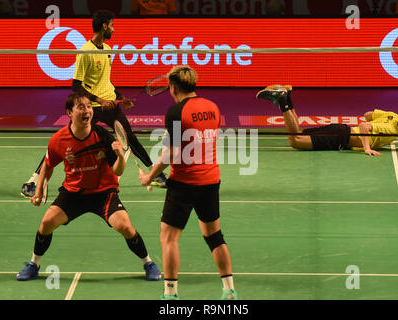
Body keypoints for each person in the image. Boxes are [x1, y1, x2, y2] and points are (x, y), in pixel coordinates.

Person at [21, 10, 167, 199]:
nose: (114, 30)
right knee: (65, 142)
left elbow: (105, 81)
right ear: (104, 26)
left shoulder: (107, 50)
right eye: (112, 25)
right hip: (92, 109)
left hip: (111, 105)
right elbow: (76, 85)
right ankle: (33, 180)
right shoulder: (85, 51)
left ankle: (156, 174)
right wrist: (99, 101)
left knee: (130, 138)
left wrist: (121, 97)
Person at [16, 92, 161, 282]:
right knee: (46, 224)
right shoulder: (58, 140)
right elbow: (48, 163)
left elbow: (117, 172)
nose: (87, 111)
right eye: (81, 107)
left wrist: (119, 156)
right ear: (70, 112)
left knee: (125, 226)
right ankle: (34, 264)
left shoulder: (102, 135)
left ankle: (148, 263)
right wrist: (40, 189)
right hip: (74, 193)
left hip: (103, 193)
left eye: (89, 107)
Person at [139, 66, 237, 300]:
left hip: (184, 182)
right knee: (214, 237)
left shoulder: (175, 111)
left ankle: (170, 294)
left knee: (169, 238)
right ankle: (229, 290)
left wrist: (150, 176)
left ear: (173, 87)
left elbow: (172, 154)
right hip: (211, 180)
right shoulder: (213, 107)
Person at [256, 84, 398, 156]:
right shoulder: (392, 131)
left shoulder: (393, 116)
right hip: (341, 138)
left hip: (342, 130)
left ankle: (288, 95)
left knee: (297, 134)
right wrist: (367, 147)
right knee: (295, 140)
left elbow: (368, 114)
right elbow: (365, 125)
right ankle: (283, 100)